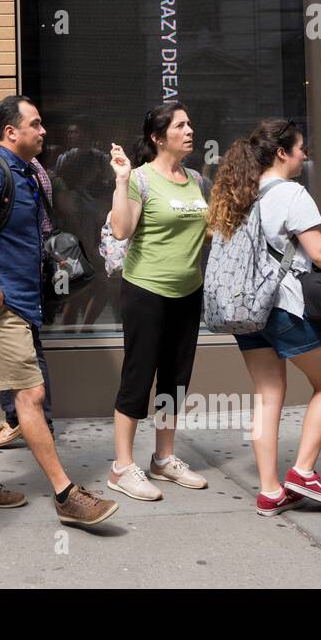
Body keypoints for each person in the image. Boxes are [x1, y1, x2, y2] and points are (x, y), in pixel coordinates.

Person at [0, 95, 118, 527]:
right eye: (36, 124)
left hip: (17, 305)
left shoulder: (27, 174)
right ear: (12, 132)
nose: (44, 131)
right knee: (31, 394)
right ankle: (66, 494)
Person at [207, 119, 321, 517]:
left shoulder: (238, 194)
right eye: (301, 148)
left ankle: (269, 491)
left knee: (268, 396)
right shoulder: (291, 194)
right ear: (282, 153)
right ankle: (302, 471)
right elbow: (319, 253)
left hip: (247, 311)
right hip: (285, 307)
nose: (306, 155)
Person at [105, 103, 209, 501]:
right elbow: (120, 229)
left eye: (189, 122)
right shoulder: (140, 180)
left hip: (188, 292)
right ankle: (121, 467)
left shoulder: (196, 180)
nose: (189, 129)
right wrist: (120, 180)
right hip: (146, 292)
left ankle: (163, 458)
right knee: (138, 376)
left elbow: (208, 229)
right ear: (157, 136)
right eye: (180, 125)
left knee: (175, 379)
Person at [0, 155, 56, 448]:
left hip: (16, 273)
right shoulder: (34, 170)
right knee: (23, 346)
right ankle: (37, 421)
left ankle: (21, 420)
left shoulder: (22, 171)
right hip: (29, 270)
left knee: (15, 346)